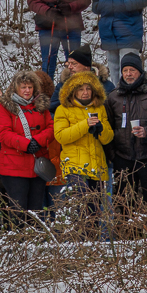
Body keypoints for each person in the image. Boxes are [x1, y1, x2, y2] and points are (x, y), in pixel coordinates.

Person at [0, 70, 55, 215]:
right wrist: (25, 144)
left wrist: (37, 141)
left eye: (30, 87)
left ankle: (34, 236)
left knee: (36, 209)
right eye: (23, 87)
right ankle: (18, 237)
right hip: (13, 166)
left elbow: (51, 128)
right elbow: (3, 133)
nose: (27, 90)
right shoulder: (6, 107)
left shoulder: (41, 106)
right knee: (18, 210)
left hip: (36, 166)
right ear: (16, 88)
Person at [107, 54, 147, 205]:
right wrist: (114, 155)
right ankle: (126, 229)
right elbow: (108, 126)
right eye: (125, 70)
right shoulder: (114, 96)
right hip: (123, 158)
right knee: (124, 203)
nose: (128, 74)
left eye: (132, 70)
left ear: (140, 71)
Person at [53, 71, 114, 205]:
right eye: (80, 89)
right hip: (74, 166)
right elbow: (61, 136)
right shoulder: (63, 109)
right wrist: (84, 124)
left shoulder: (100, 108)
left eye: (88, 89)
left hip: (97, 165)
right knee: (81, 208)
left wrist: (101, 129)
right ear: (73, 91)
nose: (85, 92)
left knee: (95, 210)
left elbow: (108, 138)